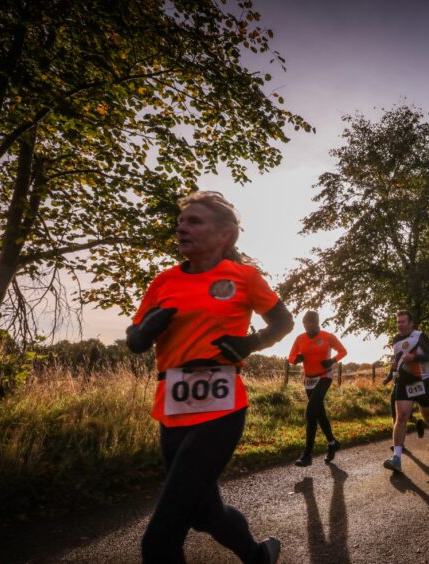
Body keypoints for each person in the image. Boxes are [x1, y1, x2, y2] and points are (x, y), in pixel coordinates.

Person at [126, 191, 293, 563]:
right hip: (171, 410)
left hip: (221, 410)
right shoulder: (163, 281)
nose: (181, 226)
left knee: (159, 541)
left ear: (225, 236)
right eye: (182, 221)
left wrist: (252, 342)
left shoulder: (244, 277)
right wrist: (145, 330)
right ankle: (259, 555)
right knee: (205, 515)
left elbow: (283, 321)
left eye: (194, 221)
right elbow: (135, 339)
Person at [383, 310, 429, 473]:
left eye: (403, 322)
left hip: (424, 382)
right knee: (401, 416)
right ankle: (396, 458)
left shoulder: (420, 336)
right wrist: (390, 375)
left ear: (411, 323)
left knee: (427, 415)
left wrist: (414, 358)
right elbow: (398, 359)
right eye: (398, 322)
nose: (400, 325)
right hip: (404, 382)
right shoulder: (396, 340)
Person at [288, 311, 347, 466]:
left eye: (311, 323)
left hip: (324, 376)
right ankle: (333, 443)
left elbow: (343, 351)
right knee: (319, 413)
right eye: (305, 323)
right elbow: (291, 357)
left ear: (317, 322)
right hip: (309, 379)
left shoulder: (327, 336)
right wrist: (297, 359)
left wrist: (331, 361)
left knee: (311, 412)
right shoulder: (300, 338)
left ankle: (307, 455)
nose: (308, 326)